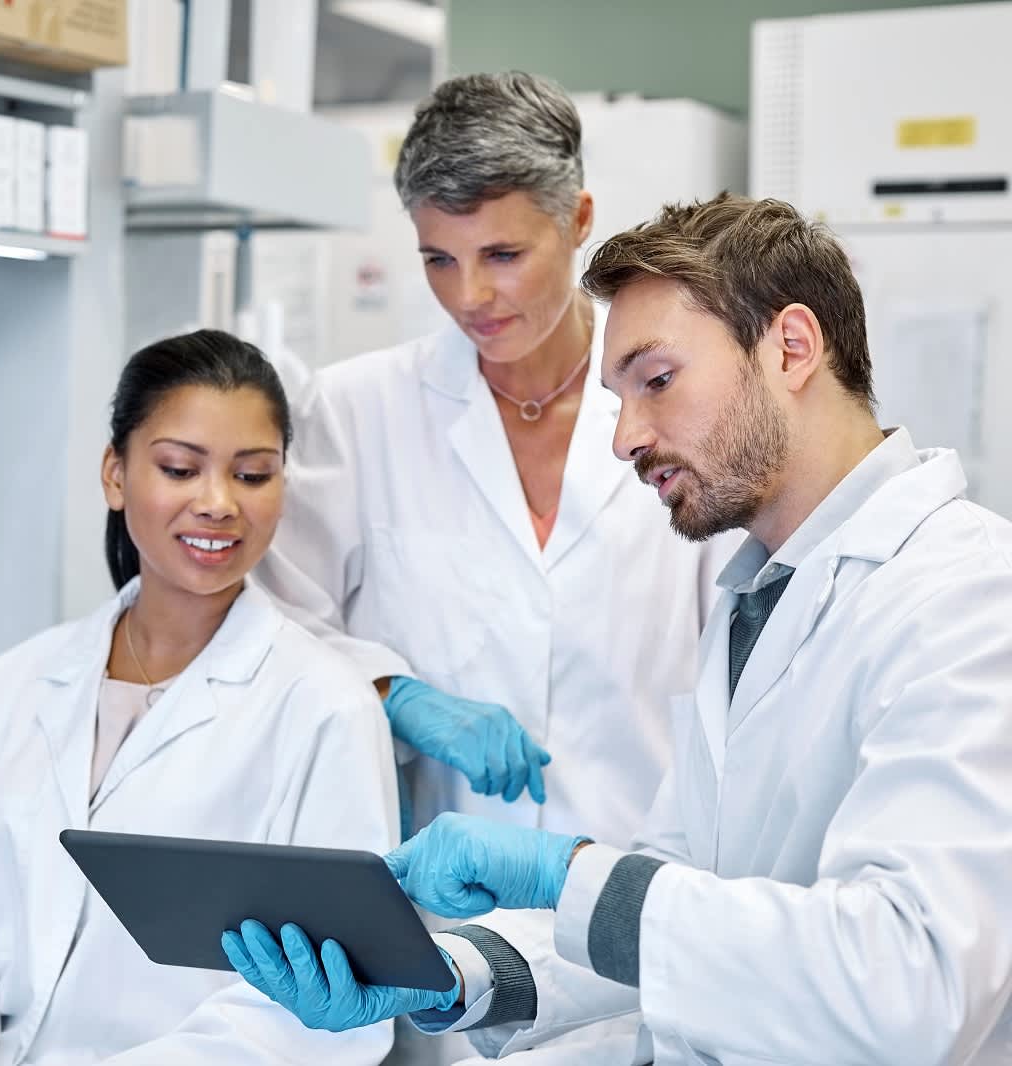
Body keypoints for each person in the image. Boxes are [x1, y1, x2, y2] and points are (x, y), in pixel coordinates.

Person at [225, 194, 1012, 1064]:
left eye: (658, 381)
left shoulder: (968, 596)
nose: (625, 436)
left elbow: (914, 980)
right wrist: (454, 973)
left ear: (792, 346)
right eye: (618, 396)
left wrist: (563, 873)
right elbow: (679, 905)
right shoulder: (760, 597)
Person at [0, 329, 398, 1065]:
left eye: (253, 475)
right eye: (180, 468)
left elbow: (317, 1009)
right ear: (115, 475)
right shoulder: (13, 687)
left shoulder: (325, 708)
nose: (217, 504)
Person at [255, 71, 731, 859]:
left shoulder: (682, 403)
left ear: (578, 220)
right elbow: (274, 624)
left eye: (503, 254)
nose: (470, 294)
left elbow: (742, 662)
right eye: (438, 259)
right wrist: (389, 692)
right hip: (440, 912)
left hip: (642, 897)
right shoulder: (357, 410)